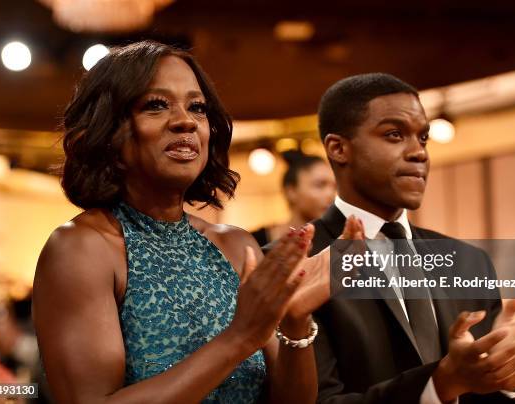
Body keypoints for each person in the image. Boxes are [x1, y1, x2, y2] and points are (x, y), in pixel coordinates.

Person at [32, 40, 350, 404]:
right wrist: (239, 338)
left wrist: (295, 321)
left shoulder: (236, 247)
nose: (186, 121)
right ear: (109, 131)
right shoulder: (82, 248)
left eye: (197, 108)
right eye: (155, 105)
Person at [306, 73, 515, 403]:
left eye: (423, 138)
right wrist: (440, 383)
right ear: (339, 148)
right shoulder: (297, 262)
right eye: (395, 134)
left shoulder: (469, 262)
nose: (419, 153)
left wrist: (514, 374)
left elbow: (488, 391)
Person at [252, 150, 336, 246]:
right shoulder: (253, 242)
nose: (331, 194)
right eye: (320, 185)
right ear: (291, 191)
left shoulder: (339, 242)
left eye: (335, 187)